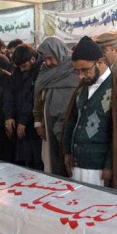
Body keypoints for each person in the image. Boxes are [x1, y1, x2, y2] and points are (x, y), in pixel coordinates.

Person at [62, 36, 117, 193]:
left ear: (100, 62)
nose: (80, 75)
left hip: (100, 170)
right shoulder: (83, 87)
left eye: (85, 70)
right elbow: (72, 120)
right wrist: (67, 151)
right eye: (78, 71)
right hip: (77, 163)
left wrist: (110, 165)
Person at [33, 36, 79, 176]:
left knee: (69, 161)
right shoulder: (45, 69)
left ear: (59, 52)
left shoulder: (75, 66)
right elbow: (38, 95)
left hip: (71, 121)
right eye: (45, 58)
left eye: (50, 58)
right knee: (53, 161)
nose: (48, 62)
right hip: (48, 122)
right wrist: (38, 122)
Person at [3, 44, 43, 170]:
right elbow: (9, 92)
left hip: (34, 125)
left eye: (24, 66)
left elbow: (33, 98)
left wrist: (23, 121)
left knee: (37, 163)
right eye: (19, 67)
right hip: (20, 125)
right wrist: (8, 116)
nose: (22, 70)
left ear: (32, 59)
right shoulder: (18, 71)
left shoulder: (42, 70)